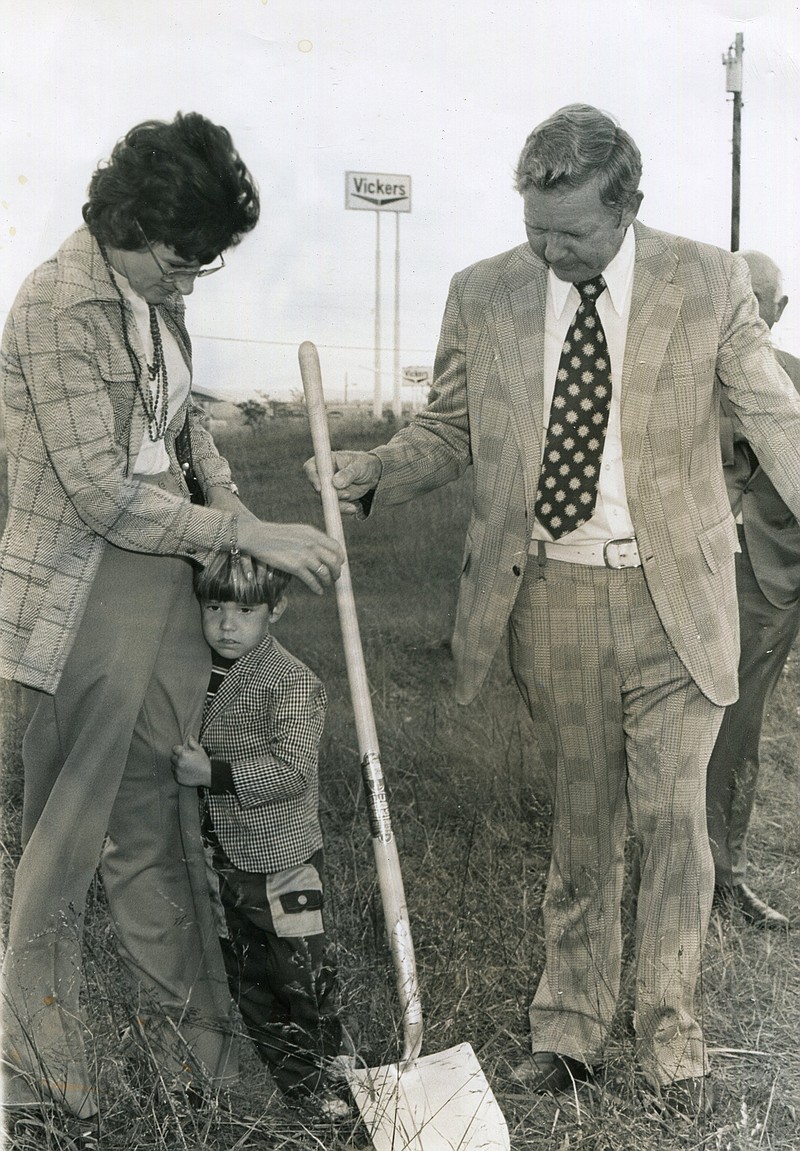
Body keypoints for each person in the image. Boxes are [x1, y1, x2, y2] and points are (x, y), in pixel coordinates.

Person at [305, 104, 800, 1120]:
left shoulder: (706, 282)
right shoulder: (483, 293)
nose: (548, 248)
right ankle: (566, 1030)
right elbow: (447, 429)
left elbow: (770, 414)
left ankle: (672, 1039)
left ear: (625, 208)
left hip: (677, 595)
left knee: (673, 824)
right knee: (583, 827)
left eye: (570, 233)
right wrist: (374, 471)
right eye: (535, 227)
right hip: (555, 596)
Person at [0, 112, 342, 1138]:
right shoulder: (62, 303)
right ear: (131, 223)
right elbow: (102, 494)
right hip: (82, 592)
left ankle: (212, 1062)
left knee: (157, 833)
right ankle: (34, 1080)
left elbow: (184, 427)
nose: (189, 283)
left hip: (164, 587)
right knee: (68, 844)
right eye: (180, 260)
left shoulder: (150, 303)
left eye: (202, 266)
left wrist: (241, 524)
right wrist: (245, 531)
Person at [171, 552, 350, 1122]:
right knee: (247, 979)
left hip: (282, 862)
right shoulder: (191, 670)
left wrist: (214, 775)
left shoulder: (291, 682)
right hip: (222, 861)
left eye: (245, 610)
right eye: (214, 606)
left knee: (301, 973)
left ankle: (340, 1072)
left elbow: (294, 767)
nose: (226, 623)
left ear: (276, 609)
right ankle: (299, 1087)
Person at [706, 251, 800, 930]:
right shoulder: (688, 374)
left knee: (738, 733)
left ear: (778, 310)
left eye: (755, 298)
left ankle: (723, 877)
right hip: (688, 575)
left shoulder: (796, 381)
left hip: (768, 588)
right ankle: (669, 871)